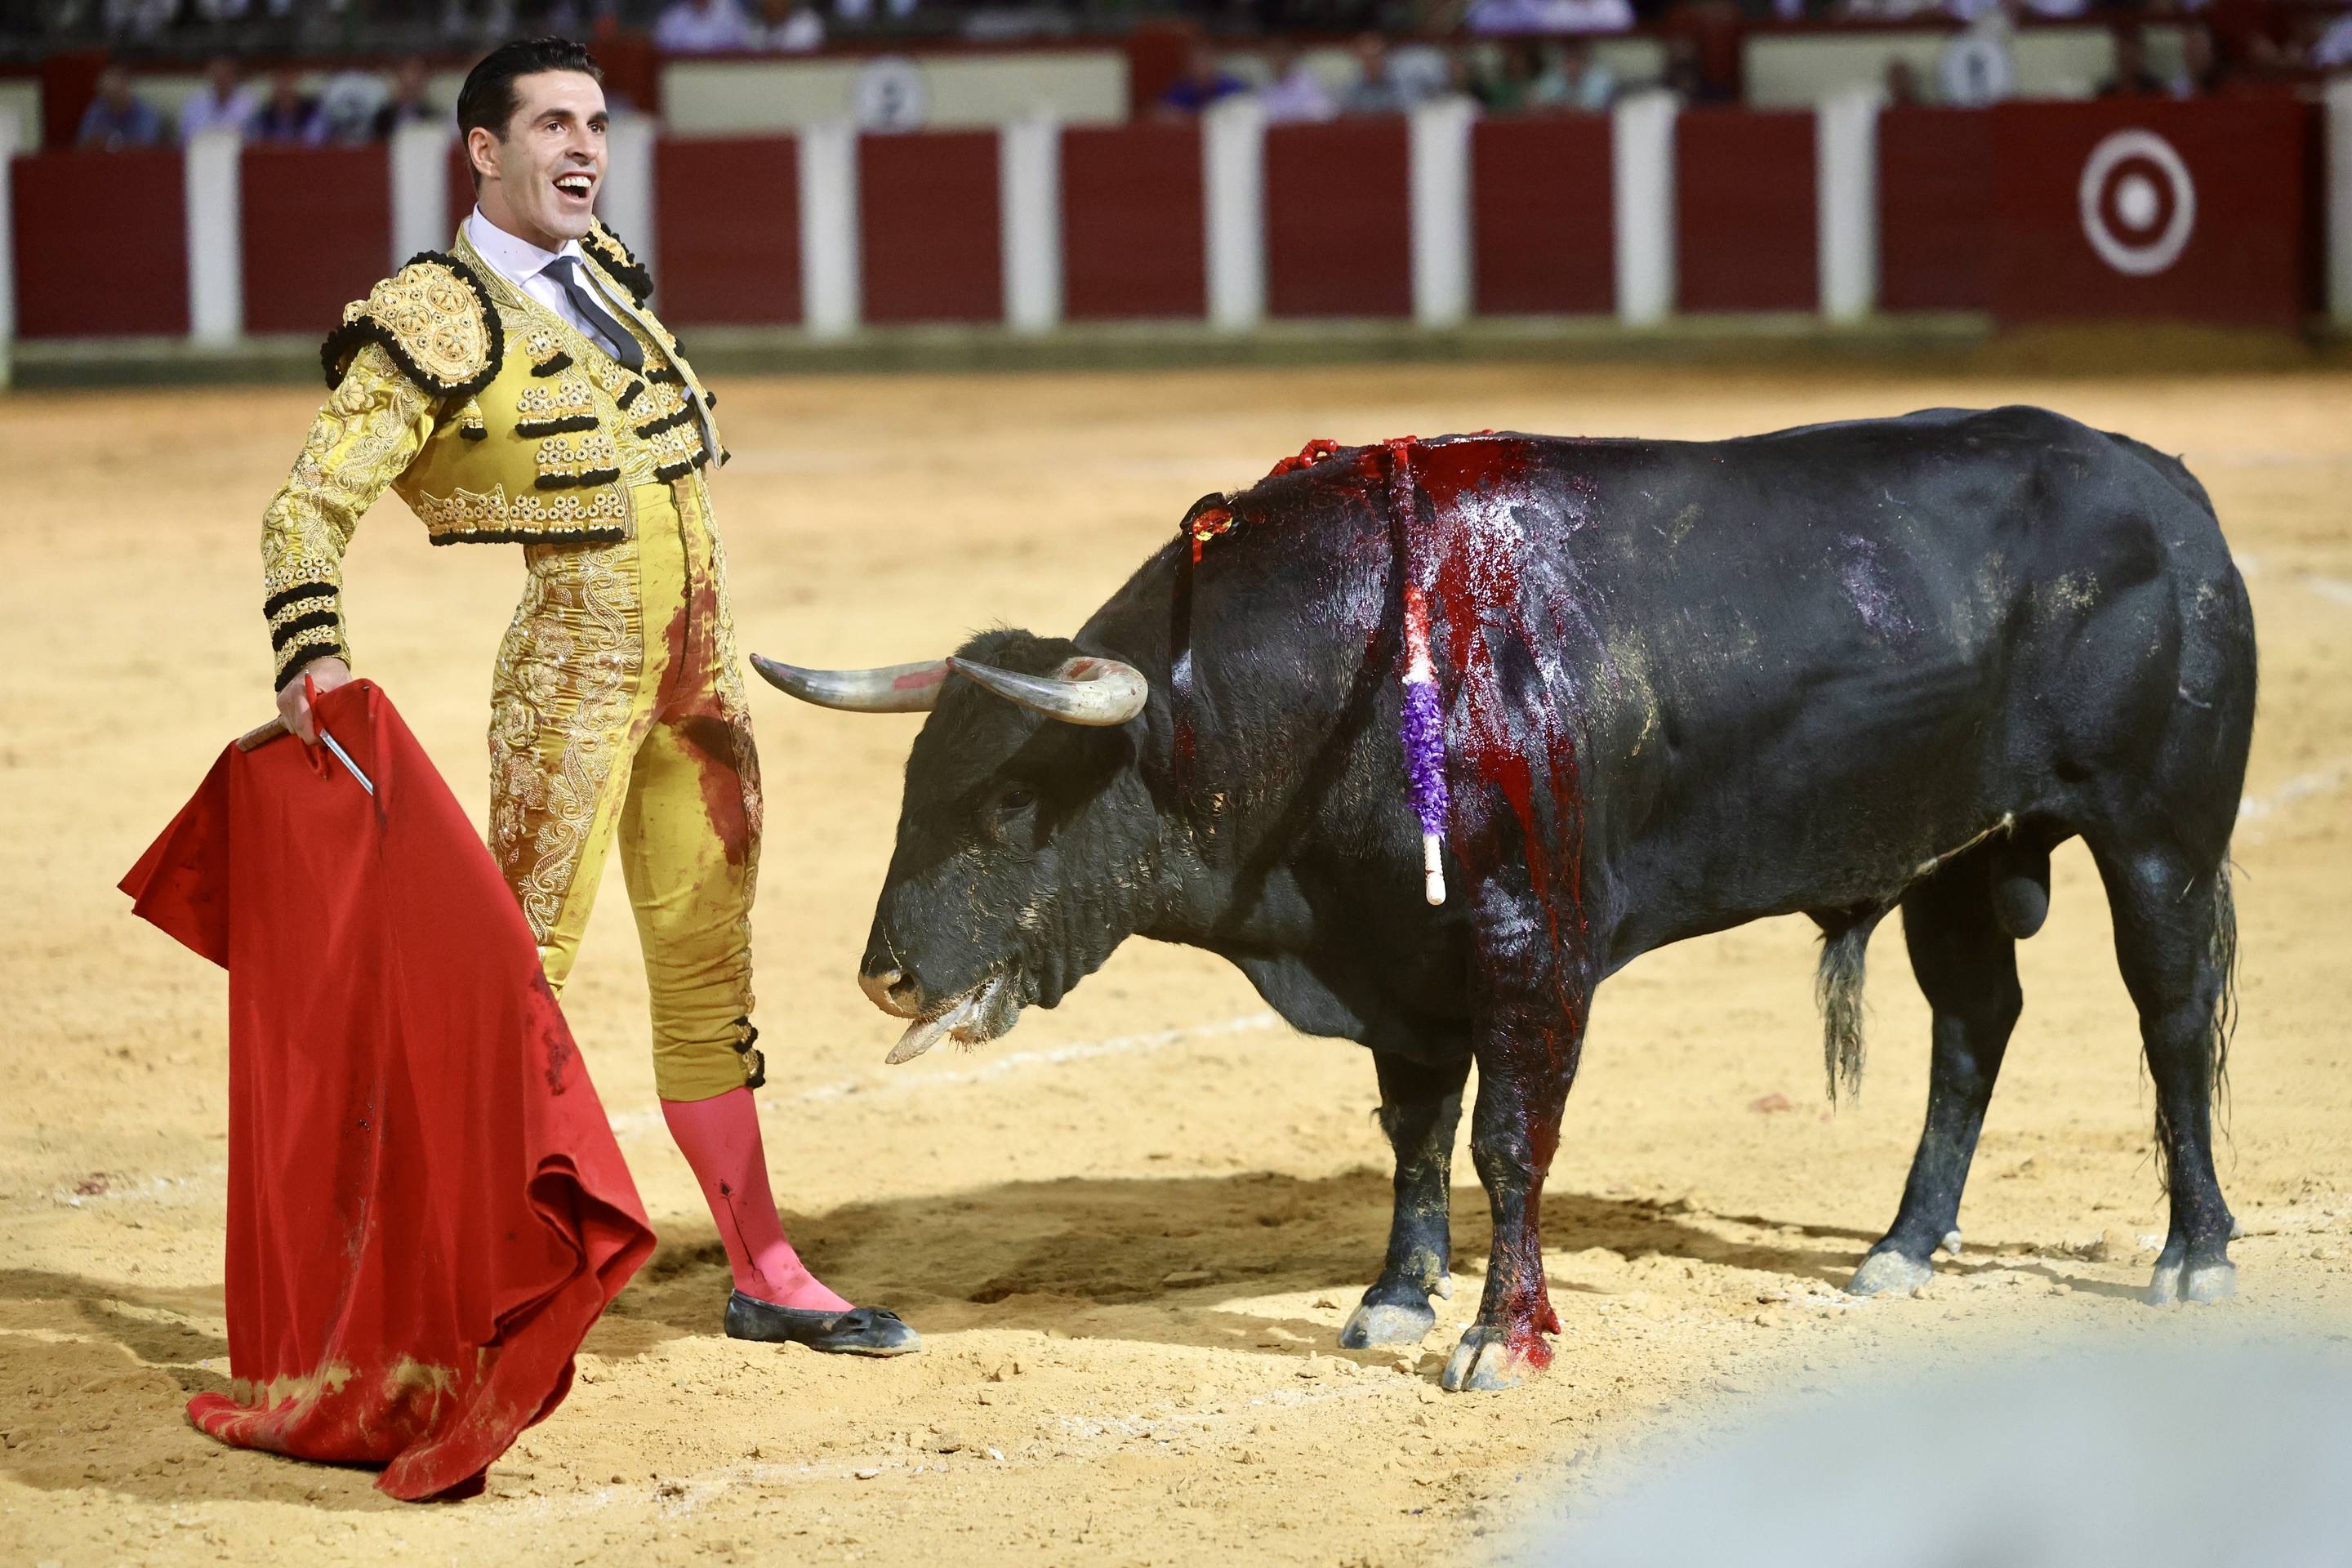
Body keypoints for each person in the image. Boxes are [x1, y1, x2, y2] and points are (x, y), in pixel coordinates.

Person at [257, 37, 918, 1358]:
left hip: (699, 675)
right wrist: (309, 649)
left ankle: (766, 1269)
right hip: (572, 677)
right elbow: (306, 509)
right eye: (554, 124)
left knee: (709, 971)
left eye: (599, 125)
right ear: (484, 150)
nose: (585, 149)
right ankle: (431, 1270)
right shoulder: (434, 314)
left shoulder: (606, 273)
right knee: (514, 976)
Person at [76, 65, 167, 149]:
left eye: (114, 94)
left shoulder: (146, 114)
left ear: (125, 89)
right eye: (106, 95)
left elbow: (145, 145)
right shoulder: (97, 111)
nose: (110, 100)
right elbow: (82, 143)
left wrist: (113, 144)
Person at [178, 56, 261, 142]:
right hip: (200, 148)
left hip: (237, 149)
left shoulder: (249, 103)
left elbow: (254, 137)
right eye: (217, 73)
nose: (221, 78)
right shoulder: (194, 103)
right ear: (209, 74)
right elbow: (184, 138)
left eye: (226, 74)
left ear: (235, 75)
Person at [1156, 39, 1248, 116]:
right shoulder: (1182, 88)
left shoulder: (1232, 87)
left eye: (1205, 60)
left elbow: (1247, 107)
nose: (1200, 66)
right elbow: (1162, 110)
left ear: (1214, 61)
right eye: (1195, 61)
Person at [1257, 37, 1335, 123]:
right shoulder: (1266, 87)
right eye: (1271, 55)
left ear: (1291, 55)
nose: (1277, 60)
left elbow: (1325, 112)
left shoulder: (1308, 82)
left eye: (1280, 54)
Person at [247, 67, 324, 145]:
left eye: (289, 83)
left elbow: (314, 141)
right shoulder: (264, 114)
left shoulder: (311, 112)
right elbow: (256, 139)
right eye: (281, 83)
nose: (285, 88)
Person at [653, 0, 755, 53]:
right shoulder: (671, 19)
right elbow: (661, 52)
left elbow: (743, 48)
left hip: (721, 74)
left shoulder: (731, 16)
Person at [373, 56, 439, 137]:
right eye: (408, 73)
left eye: (418, 74)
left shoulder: (433, 115)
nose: (413, 79)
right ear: (399, 77)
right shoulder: (384, 115)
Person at [2098, 24, 2167, 97]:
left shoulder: (2157, 91)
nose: (2126, 53)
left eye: (2131, 56)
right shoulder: (2106, 93)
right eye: (2123, 55)